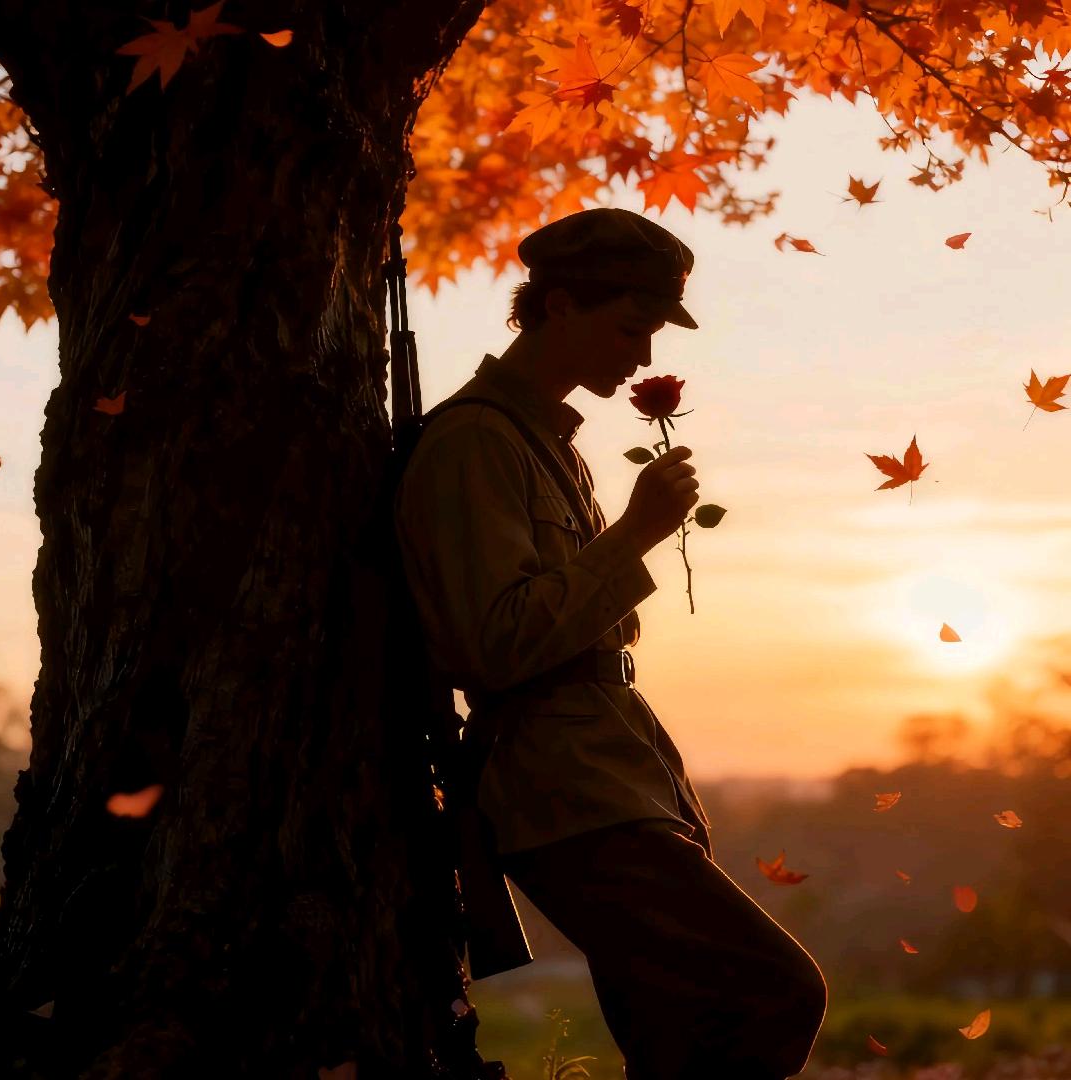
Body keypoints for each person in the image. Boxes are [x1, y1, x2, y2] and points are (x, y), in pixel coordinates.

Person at [394, 207, 826, 1079]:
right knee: (773, 991)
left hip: (606, 772)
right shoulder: (475, 441)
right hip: (564, 788)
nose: (644, 354)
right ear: (559, 305)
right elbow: (493, 644)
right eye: (631, 327)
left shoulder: (544, 441)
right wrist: (633, 534)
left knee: (676, 1032)